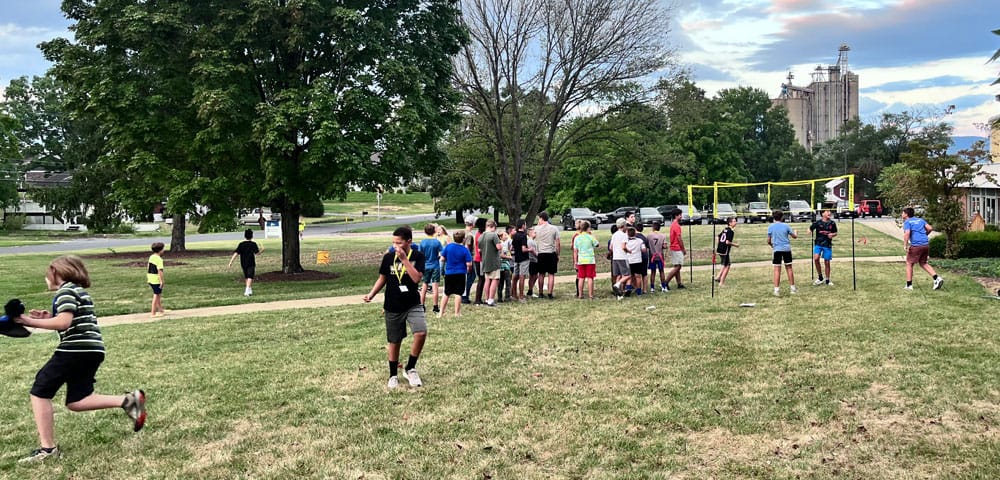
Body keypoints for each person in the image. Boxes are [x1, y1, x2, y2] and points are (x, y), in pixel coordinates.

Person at [12, 255, 146, 463]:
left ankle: (48, 450)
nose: (45, 279)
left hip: (74, 350)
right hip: (92, 351)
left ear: (55, 272)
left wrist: (26, 321)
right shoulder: (78, 291)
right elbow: (72, 320)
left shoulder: (65, 290)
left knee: (40, 391)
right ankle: (129, 401)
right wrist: (48, 318)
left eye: (46, 275)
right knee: (77, 400)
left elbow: (64, 323)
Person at [362, 226, 427, 389]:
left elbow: (416, 279)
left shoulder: (418, 256)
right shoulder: (388, 257)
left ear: (409, 242)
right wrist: (371, 294)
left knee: (420, 332)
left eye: (399, 243)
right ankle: (393, 375)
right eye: (393, 242)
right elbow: (382, 278)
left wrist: (405, 259)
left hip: (412, 303)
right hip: (392, 304)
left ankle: (410, 368)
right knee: (394, 341)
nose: (395, 246)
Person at [902, 206, 943, 290]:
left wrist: (905, 245)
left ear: (906, 214)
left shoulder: (907, 222)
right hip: (925, 244)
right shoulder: (920, 220)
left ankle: (909, 285)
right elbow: (930, 228)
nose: (901, 214)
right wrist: (924, 235)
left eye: (902, 213)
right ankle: (937, 278)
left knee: (909, 263)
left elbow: (907, 233)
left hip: (916, 245)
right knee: (923, 263)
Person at [440, 230, 473, 318]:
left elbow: (442, 259)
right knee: (458, 293)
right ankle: (457, 313)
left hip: (449, 272)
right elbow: (469, 263)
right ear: (463, 239)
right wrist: (468, 269)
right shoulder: (464, 249)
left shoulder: (448, 247)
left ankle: (441, 312)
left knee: (446, 292)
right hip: (460, 272)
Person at [767, 210, 798, 296]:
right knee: (789, 268)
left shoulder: (771, 227)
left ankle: (776, 290)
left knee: (777, 269)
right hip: (786, 249)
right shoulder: (786, 226)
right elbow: (794, 236)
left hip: (777, 249)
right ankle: (792, 288)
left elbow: (768, 240)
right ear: (782, 217)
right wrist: (796, 232)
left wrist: (772, 245)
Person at [534, 212, 561, 299]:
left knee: (541, 274)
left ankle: (541, 292)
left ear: (541, 218)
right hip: (551, 253)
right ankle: (550, 293)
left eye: (539, 219)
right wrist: (558, 254)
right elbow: (558, 243)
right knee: (551, 274)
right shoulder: (554, 228)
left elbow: (533, 237)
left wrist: (538, 225)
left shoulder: (537, 228)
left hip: (541, 253)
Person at [228, 229, 263, 296]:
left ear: (245, 236)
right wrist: (262, 250)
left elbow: (236, 253)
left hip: (243, 263)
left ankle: (249, 290)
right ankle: (247, 290)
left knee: (247, 276)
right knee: (250, 276)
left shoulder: (241, 244)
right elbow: (257, 253)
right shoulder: (253, 244)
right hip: (251, 262)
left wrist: (231, 262)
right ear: (252, 236)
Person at [418, 224, 444, 313]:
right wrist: (438, 257)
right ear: (434, 231)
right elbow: (442, 252)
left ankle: (422, 305)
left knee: (424, 285)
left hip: (425, 266)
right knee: (435, 287)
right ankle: (435, 306)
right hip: (435, 266)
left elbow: (419, 254)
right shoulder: (437, 242)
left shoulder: (422, 242)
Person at [809, 210, 838, 286]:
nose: (829, 213)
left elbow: (835, 233)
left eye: (829, 212)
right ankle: (820, 277)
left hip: (827, 244)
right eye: (827, 211)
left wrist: (832, 234)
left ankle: (827, 280)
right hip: (818, 243)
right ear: (822, 214)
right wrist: (809, 231)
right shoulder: (818, 223)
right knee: (816, 258)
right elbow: (810, 228)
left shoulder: (832, 223)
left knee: (827, 262)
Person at [478, 220, 503, 306]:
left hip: (485, 261)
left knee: (487, 280)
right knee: (495, 280)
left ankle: (486, 298)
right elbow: (498, 247)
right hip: (494, 261)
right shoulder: (493, 235)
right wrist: (501, 244)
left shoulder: (481, 236)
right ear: (493, 227)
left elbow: (479, 249)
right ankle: (491, 299)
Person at [573, 220, 599, 299]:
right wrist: (593, 236)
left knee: (581, 277)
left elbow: (575, 251)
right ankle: (591, 295)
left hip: (581, 260)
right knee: (590, 277)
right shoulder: (590, 237)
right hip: (590, 260)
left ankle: (580, 294)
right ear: (588, 228)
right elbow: (597, 244)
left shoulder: (577, 238)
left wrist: (575, 262)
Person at [663, 208, 687, 290]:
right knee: (678, 266)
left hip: (673, 247)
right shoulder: (676, 225)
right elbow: (679, 238)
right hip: (677, 248)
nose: (681, 216)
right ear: (676, 216)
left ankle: (679, 283)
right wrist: (683, 249)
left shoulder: (672, 224)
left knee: (677, 265)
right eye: (680, 215)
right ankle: (665, 282)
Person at [715, 217, 739, 287]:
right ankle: (721, 283)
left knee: (724, 264)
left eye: (735, 221)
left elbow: (717, 237)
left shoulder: (725, 229)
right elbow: (727, 242)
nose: (736, 222)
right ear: (730, 223)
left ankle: (718, 277)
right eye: (734, 221)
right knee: (727, 266)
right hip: (725, 251)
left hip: (719, 249)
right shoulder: (731, 231)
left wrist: (719, 244)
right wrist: (736, 245)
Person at [610, 218, 631, 299]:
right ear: (623, 226)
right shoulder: (624, 235)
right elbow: (623, 247)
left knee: (618, 275)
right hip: (622, 257)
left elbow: (611, 247)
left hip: (615, 257)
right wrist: (628, 251)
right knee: (627, 275)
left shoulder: (614, 235)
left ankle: (619, 294)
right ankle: (617, 285)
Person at [511, 220, 531, 302]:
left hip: (516, 258)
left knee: (515, 276)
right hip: (523, 258)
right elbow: (524, 249)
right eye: (525, 225)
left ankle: (514, 294)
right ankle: (521, 296)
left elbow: (512, 248)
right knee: (522, 276)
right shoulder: (523, 236)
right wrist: (530, 249)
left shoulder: (515, 235)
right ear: (523, 226)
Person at [625, 227, 646, 296]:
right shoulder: (639, 240)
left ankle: (628, 289)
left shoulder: (626, 241)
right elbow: (644, 249)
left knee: (629, 276)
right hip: (637, 260)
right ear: (635, 233)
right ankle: (639, 291)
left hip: (629, 260)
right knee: (638, 276)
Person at [647, 221, 667, 292]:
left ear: (653, 227)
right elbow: (664, 246)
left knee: (653, 272)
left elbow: (647, 245)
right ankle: (663, 287)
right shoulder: (663, 235)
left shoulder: (649, 236)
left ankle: (652, 288)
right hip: (660, 255)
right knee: (661, 271)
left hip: (652, 255)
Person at [147, 242, 166, 317]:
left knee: (158, 294)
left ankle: (161, 310)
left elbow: (148, 267)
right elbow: (160, 271)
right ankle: (153, 313)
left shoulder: (151, 257)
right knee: (156, 295)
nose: (164, 250)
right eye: (163, 249)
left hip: (150, 278)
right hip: (156, 279)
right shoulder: (159, 259)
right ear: (160, 250)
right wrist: (162, 281)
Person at [461, 216, 477, 304]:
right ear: (472, 224)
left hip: (462, 258)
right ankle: (465, 296)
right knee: (470, 277)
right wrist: (469, 261)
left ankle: (464, 295)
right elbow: (467, 248)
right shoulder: (469, 235)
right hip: (468, 258)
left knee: (466, 277)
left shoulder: (463, 232)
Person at [526, 227, 541, 298]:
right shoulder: (530, 241)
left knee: (535, 276)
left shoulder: (533, 241)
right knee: (532, 276)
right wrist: (539, 256)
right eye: (534, 232)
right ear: (530, 234)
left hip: (535, 261)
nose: (536, 234)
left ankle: (530, 289)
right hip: (532, 261)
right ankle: (530, 291)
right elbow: (532, 251)